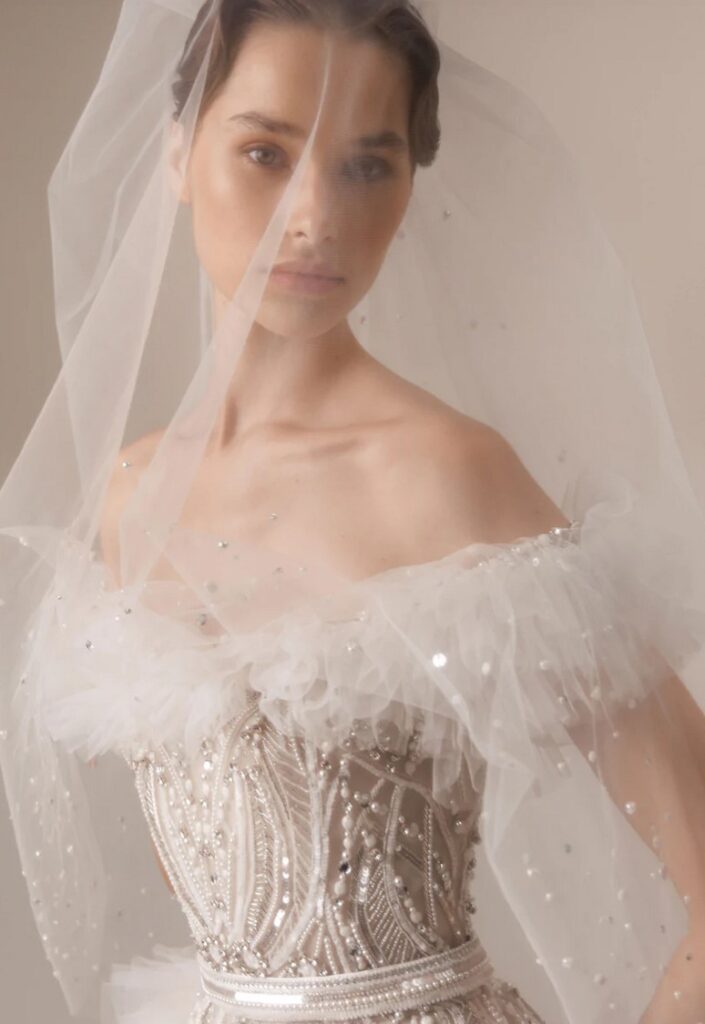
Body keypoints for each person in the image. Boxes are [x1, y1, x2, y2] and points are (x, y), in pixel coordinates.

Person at [1, 2, 704, 1023]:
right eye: (264, 152)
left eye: (368, 165)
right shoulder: (132, 493)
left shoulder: (446, 476)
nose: (315, 216)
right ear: (176, 154)